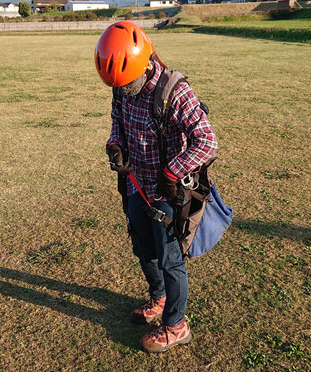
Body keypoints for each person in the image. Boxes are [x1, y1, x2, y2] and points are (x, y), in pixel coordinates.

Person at [94, 21, 218, 353]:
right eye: (119, 86)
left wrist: (173, 171)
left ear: (145, 63)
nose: (126, 90)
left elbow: (207, 141)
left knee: (171, 260)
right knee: (144, 250)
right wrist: (115, 145)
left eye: (129, 83)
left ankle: (177, 325)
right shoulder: (120, 87)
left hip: (167, 194)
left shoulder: (175, 92)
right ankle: (159, 298)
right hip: (137, 187)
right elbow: (117, 123)